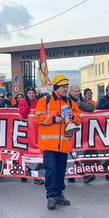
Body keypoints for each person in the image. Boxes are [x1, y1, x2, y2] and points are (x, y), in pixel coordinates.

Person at [34, 74, 82, 210]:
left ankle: (59, 194)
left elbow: (79, 119)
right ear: (56, 87)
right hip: (48, 144)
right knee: (51, 169)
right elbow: (38, 118)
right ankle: (50, 195)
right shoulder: (45, 101)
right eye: (63, 87)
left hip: (64, 144)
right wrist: (54, 119)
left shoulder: (71, 103)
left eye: (67, 87)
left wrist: (73, 116)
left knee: (61, 170)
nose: (65, 89)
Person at [67, 85, 95, 183]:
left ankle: (77, 175)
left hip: (80, 130)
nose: (77, 93)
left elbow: (92, 107)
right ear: (70, 92)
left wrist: (81, 104)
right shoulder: (66, 100)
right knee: (71, 153)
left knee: (78, 153)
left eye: (78, 91)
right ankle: (79, 175)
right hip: (69, 130)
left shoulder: (81, 99)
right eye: (75, 91)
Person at [18, 86, 44, 185]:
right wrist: (28, 105)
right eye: (29, 93)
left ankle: (36, 176)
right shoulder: (23, 102)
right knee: (24, 153)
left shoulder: (38, 102)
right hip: (26, 131)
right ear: (26, 94)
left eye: (33, 93)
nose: (32, 95)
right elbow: (23, 114)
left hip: (36, 132)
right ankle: (23, 173)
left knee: (37, 153)